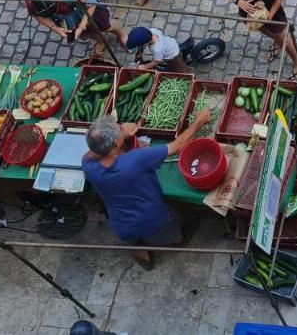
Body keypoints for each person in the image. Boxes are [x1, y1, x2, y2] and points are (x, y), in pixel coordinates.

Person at [82, 111, 211, 270]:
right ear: (115, 142)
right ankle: (178, 241)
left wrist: (121, 135)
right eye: (120, 128)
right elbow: (178, 145)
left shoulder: (88, 165)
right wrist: (199, 121)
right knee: (171, 234)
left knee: (133, 243)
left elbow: (96, 147)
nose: (123, 127)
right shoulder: (136, 159)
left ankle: (145, 261)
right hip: (152, 220)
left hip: (121, 223)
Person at [28, 0, 127, 61]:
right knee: (86, 32)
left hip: (85, 5)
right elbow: (36, 15)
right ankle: (101, 42)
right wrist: (55, 28)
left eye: (57, 8)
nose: (57, 12)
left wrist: (82, 24)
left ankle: (121, 34)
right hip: (69, 15)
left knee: (106, 23)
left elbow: (92, 5)